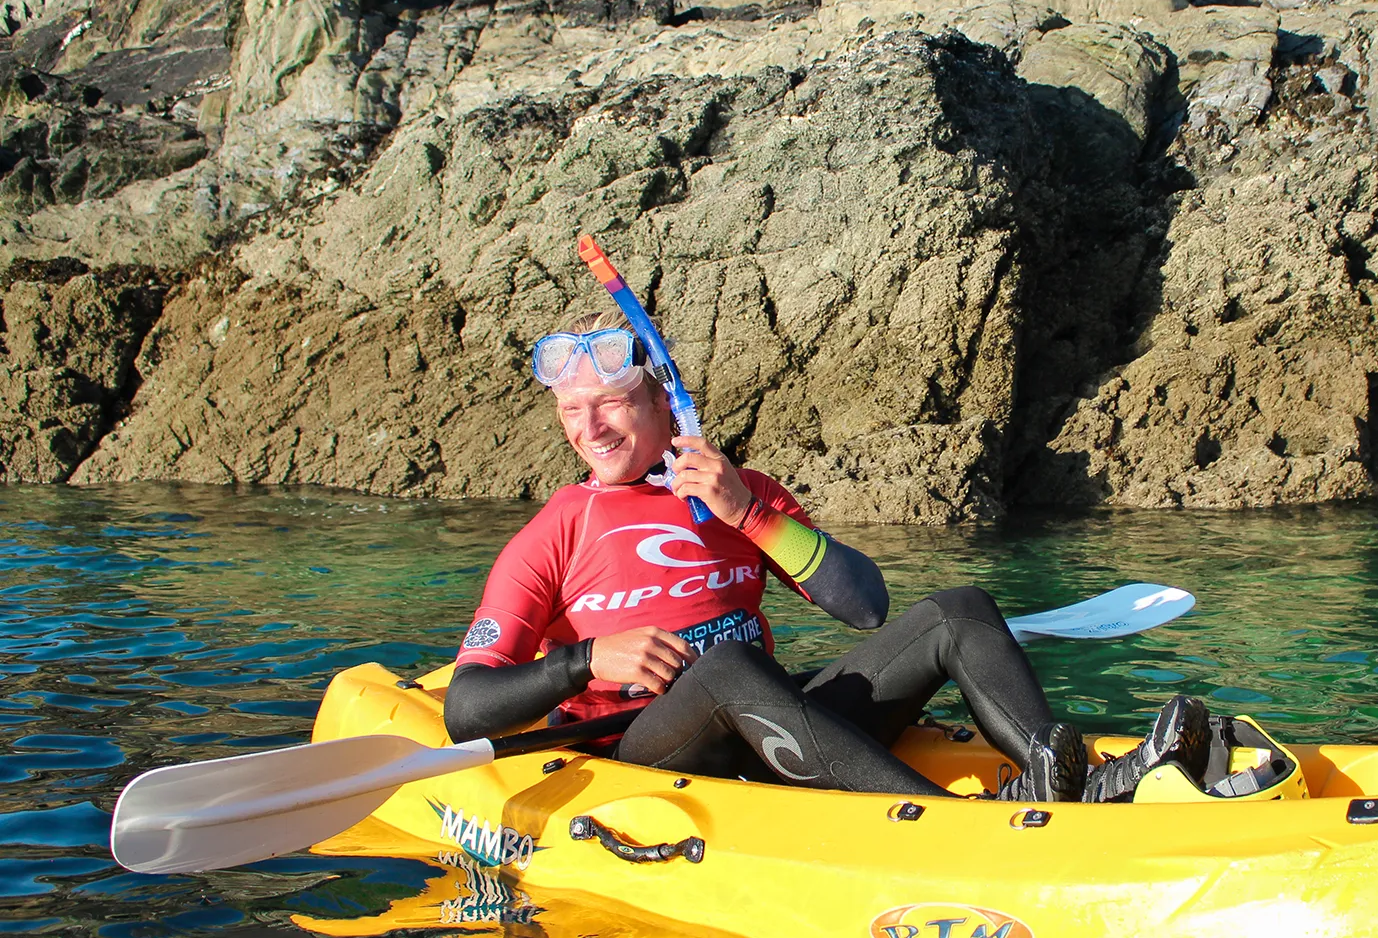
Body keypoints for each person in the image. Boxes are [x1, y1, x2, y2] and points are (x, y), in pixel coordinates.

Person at [444, 313, 1208, 802]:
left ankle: (1063, 780)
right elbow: (464, 709)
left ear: (663, 403)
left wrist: (748, 514)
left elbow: (866, 607)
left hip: (771, 725)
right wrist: (582, 662)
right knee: (727, 669)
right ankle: (955, 828)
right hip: (644, 752)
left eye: (610, 403)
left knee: (959, 608)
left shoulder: (739, 493)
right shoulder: (556, 529)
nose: (592, 429)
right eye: (572, 412)